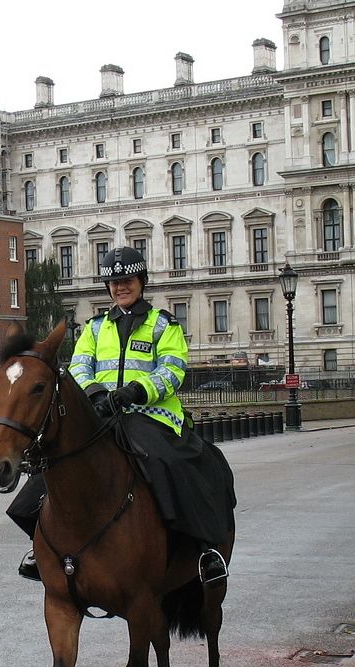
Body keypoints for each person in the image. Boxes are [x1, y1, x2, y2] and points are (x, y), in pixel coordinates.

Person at [15, 245, 234, 584]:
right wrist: (96, 394)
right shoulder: (94, 327)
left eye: (127, 280)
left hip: (151, 416)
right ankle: (41, 543)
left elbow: (172, 371)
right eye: (115, 283)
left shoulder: (164, 325)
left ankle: (204, 549)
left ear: (141, 282)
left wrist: (134, 391)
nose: (121, 287)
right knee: (58, 462)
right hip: (101, 416)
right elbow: (79, 367)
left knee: (169, 463)